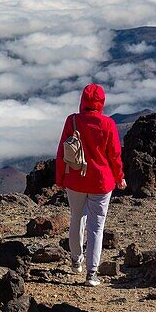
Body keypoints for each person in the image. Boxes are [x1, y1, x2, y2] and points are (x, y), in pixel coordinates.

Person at [55, 83, 125, 287]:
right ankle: (91, 274)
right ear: (101, 102)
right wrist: (119, 177)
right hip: (102, 182)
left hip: (75, 180)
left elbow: (62, 151)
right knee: (97, 227)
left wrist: (60, 179)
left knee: (77, 218)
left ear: (82, 101)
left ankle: (76, 261)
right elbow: (114, 155)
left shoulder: (73, 120)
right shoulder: (108, 124)